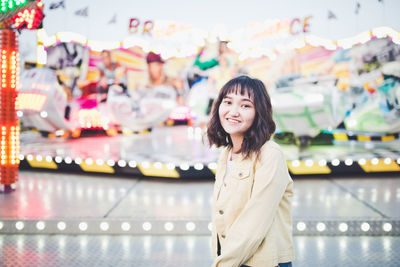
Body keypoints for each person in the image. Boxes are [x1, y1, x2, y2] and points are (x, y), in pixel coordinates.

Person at [207, 76, 295, 267]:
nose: (233, 111)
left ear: (259, 112)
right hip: (231, 258)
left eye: (245, 105)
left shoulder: (269, 154)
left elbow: (255, 221)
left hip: (263, 262)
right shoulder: (226, 154)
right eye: (228, 102)